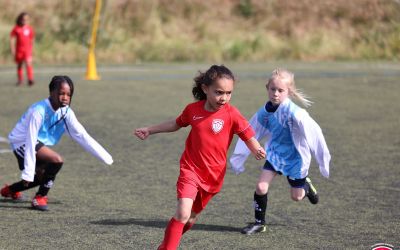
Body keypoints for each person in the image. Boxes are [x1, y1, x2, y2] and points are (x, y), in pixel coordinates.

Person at [134, 65, 266, 250]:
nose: (224, 98)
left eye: (228, 93)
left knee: (189, 219)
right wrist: (150, 129)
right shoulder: (193, 110)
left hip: (213, 176)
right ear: (205, 89)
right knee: (182, 213)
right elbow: (176, 123)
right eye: (219, 92)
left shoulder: (232, 114)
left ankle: (165, 246)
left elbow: (247, 134)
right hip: (190, 169)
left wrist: (256, 148)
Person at [230, 68, 331, 235]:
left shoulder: (296, 113)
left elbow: (315, 135)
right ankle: (259, 223)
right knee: (261, 187)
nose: (275, 94)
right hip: (275, 155)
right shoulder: (264, 112)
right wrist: (239, 158)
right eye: (272, 89)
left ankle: (306, 186)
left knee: (296, 197)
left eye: (280, 90)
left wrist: (322, 161)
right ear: (267, 88)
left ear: (288, 92)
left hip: (296, 159)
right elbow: (250, 131)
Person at [1, 75, 113, 211]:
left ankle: (10, 190)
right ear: (51, 92)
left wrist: (104, 156)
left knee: (43, 175)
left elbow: (82, 135)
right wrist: (28, 172)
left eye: (68, 94)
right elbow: (30, 140)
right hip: (21, 142)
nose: (65, 97)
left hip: (37, 141)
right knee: (56, 160)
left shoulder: (66, 112)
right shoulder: (39, 111)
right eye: (61, 93)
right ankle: (40, 198)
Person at [10, 12, 35, 86]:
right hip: (19, 50)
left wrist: (31, 50)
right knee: (20, 65)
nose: (25, 21)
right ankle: (20, 80)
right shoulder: (16, 28)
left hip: (27, 50)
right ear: (20, 19)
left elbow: (32, 39)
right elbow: (12, 39)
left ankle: (30, 79)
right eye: (23, 19)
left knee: (28, 63)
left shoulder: (29, 29)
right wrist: (13, 50)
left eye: (27, 19)